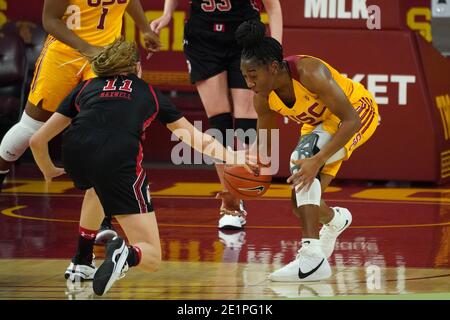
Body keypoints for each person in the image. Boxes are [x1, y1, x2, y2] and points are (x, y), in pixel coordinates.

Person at [29, 38, 242, 296]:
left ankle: (81, 261)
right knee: (152, 257)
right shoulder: (147, 91)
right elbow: (194, 138)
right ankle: (127, 254)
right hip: (116, 158)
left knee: (97, 188)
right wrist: (234, 156)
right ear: (137, 67)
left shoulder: (86, 87)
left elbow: (37, 140)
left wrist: (49, 169)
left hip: (75, 154)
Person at [0, 0, 161, 244]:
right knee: (30, 129)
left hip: (107, 57)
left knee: (107, 137)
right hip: (64, 53)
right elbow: (50, 20)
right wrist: (86, 48)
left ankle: (103, 218)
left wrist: (145, 28)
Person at [236, 20, 379, 281]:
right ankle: (335, 220)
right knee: (300, 205)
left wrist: (318, 159)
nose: (249, 83)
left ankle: (312, 259)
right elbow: (264, 150)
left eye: (253, 76)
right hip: (320, 127)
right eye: (245, 77)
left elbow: (351, 121)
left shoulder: (309, 71)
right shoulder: (263, 98)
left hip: (357, 111)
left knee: (302, 160)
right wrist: (236, 187)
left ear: (274, 67)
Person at [150, 0, 283, 230]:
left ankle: (242, 185)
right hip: (202, 37)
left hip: (245, 36)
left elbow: (273, 7)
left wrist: (275, 48)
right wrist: (167, 14)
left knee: (245, 119)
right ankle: (231, 201)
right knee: (219, 122)